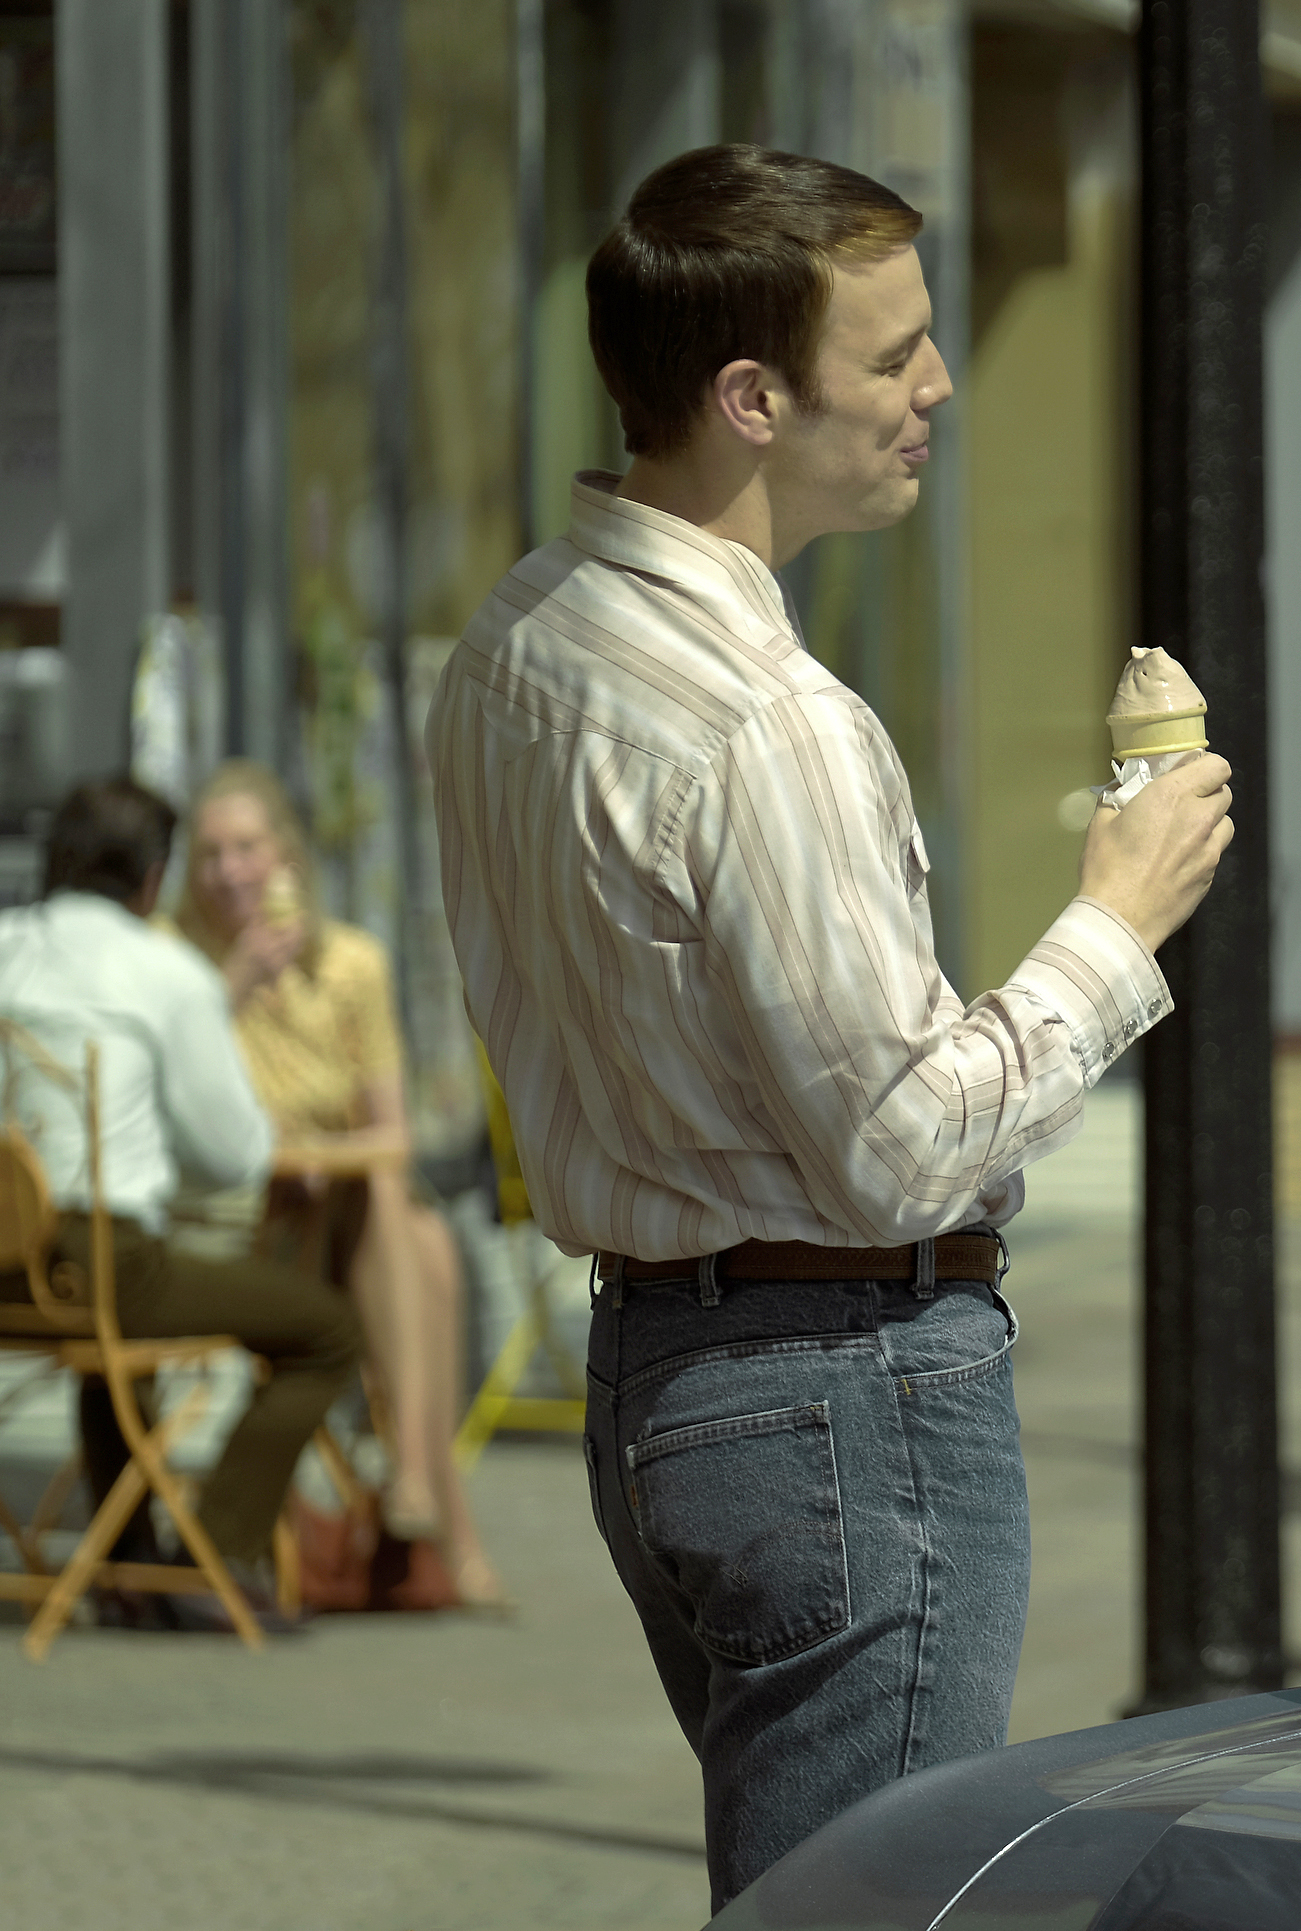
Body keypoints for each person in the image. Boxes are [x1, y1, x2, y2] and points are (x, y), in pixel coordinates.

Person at [428, 145, 1231, 1910]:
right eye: (894, 357)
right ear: (747, 398)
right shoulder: (770, 721)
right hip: (841, 1381)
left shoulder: (514, 645)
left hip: (665, 1371)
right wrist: (1119, 914)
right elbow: (905, 1147)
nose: (938, 387)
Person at [0, 778, 362, 1621]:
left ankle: (130, 1564)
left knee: (114, 1349)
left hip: (9, 1273)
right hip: (98, 1263)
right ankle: (217, 1551)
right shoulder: (165, 972)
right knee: (326, 1328)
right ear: (153, 878)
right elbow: (235, 1156)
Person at [168, 759, 500, 1608]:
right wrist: (234, 986)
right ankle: (435, 1508)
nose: (229, 870)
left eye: (245, 846)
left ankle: (419, 1488)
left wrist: (334, 1157)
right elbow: (182, 1114)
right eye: (209, 853)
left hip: (346, 1212)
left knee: (406, 1217)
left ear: (285, 854)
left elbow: (391, 1133)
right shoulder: (181, 968)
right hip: (242, 1220)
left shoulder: (350, 963)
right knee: (426, 1247)